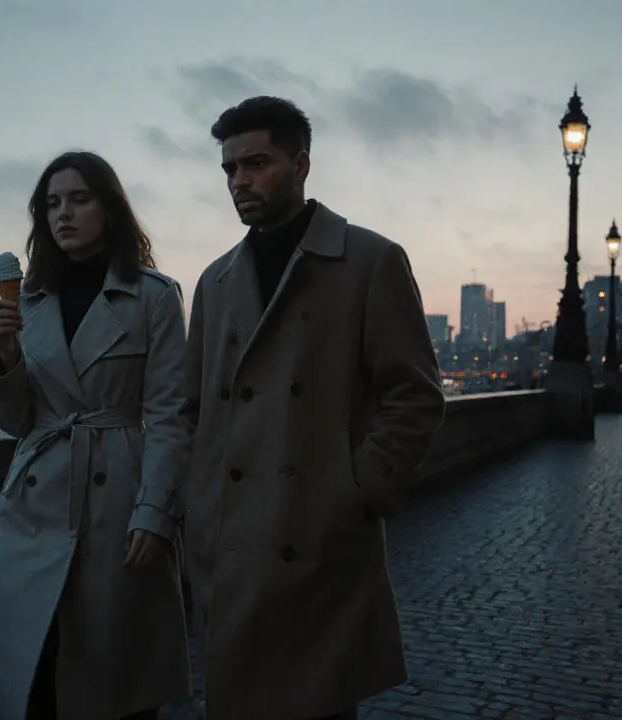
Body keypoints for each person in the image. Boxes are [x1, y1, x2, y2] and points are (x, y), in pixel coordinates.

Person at [181, 96, 446, 720]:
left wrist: (357, 491)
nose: (239, 181)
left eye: (256, 163)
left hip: (319, 542)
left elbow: (415, 393)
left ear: (300, 164)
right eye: (229, 169)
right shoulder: (214, 281)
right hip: (232, 551)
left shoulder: (371, 260)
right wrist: (195, 509)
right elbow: (191, 409)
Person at [0, 151, 192, 720]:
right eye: (52, 203)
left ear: (110, 208)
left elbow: (170, 415)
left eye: (79, 199)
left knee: (110, 681)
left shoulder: (155, 298)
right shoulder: (31, 302)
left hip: (117, 503)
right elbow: (17, 422)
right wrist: (7, 353)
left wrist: (155, 511)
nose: (63, 214)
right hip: (34, 507)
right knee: (30, 679)